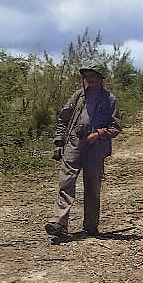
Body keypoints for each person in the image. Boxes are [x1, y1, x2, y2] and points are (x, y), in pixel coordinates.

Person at [45, 64, 122, 238]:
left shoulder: (110, 100)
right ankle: (59, 223)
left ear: (101, 80)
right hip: (74, 145)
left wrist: (99, 134)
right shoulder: (78, 97)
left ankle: (91, 226)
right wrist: (58, 142)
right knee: (66, 184)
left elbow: (116, 127)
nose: (88, 82)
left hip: (95, 148)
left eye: (93, 79)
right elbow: (63, 119)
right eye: (86, 78)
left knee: (92, 187)